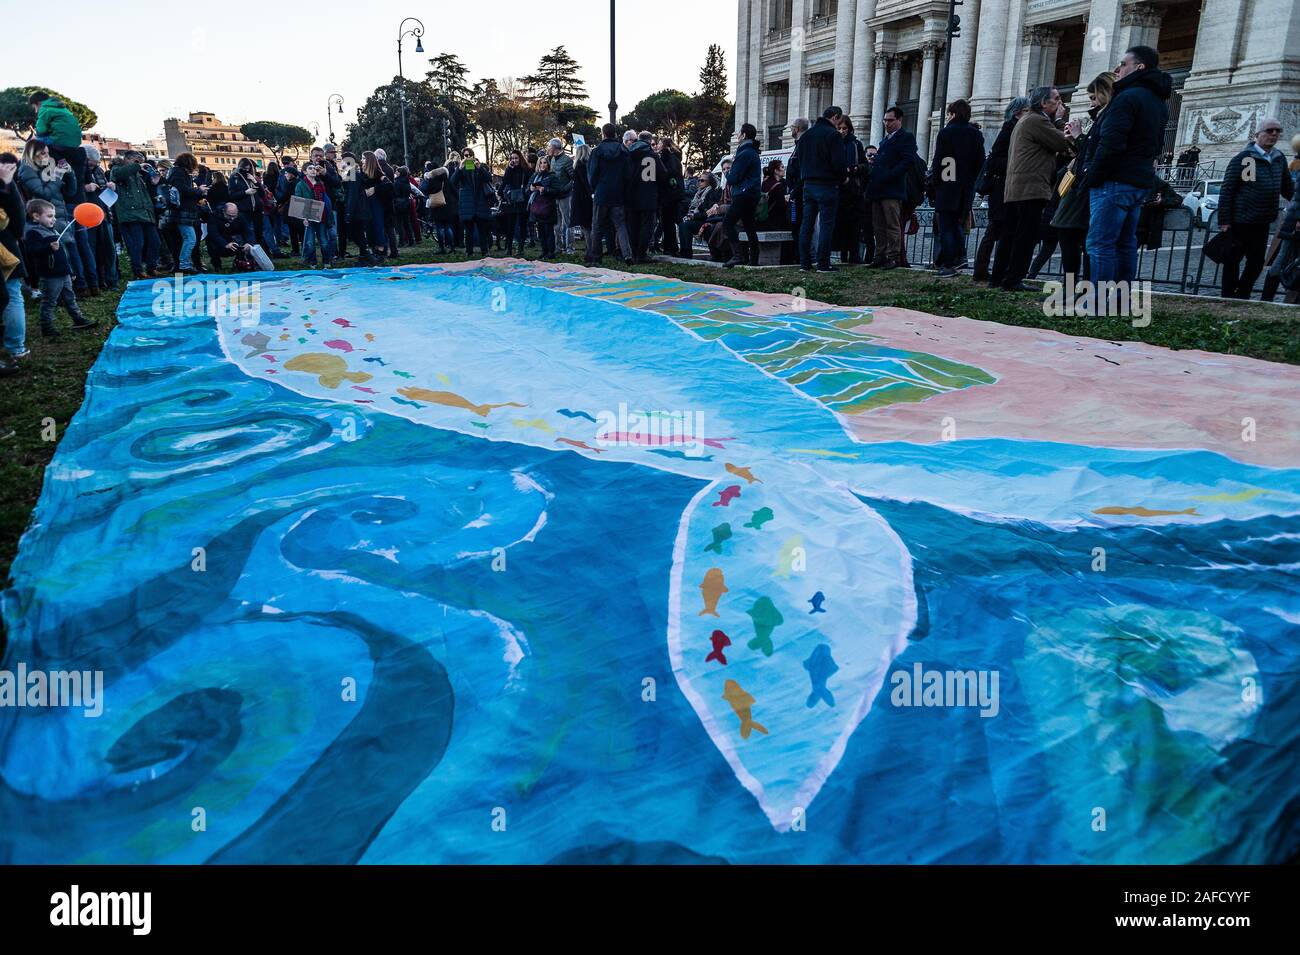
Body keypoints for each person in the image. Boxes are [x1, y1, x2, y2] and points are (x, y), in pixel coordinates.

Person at [1084, 45, 1172, 282]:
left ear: (1139, 67)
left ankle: (1098, 303)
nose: (1117, 69)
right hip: (1137, 180)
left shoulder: (1126, 98)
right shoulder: (1156, 101)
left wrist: (1092, 176)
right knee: (1125, 244)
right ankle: (1120, 300)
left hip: (1113, 180)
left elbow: (1111, 144)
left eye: (1123, 64)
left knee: (1100, 244)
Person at [989, 86, 1077, 291]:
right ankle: (1013, 279)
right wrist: (1060, 121)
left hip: (1017, 188)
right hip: (1031, 188)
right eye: (1056, 99)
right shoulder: (1038, 120)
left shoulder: (1025, 120)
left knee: (1010, 235)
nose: (1060, 103)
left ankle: (1000, 278)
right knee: (1025, 236)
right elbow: (1063, 142)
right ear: (1043, 103)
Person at [1047, 73, 1115, 281]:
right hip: (1075, 190)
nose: (1091, 102)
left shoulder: (1108, 118)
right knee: (1073, 242)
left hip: (1082, 193)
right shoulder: (1101, 118)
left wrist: (1078, 137)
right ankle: (1075, 288)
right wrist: (1074, 141)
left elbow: (1098, 154)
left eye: (1094, 98)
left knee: (1083, 244)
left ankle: (1082, 289)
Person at [1217, 117, 1293, 299]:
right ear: (1257, 135)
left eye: (1277, 131)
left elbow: (1287, 187)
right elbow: (1229, 190)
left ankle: (1242, 294)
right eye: (1270, 130)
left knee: (1257, 262)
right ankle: (1228, 296)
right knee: (1233, 261)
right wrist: (1225, 221)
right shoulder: (1247, 159)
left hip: (1262, 221)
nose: (1274, 134)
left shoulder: (1279, 158)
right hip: (1240, 221)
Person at [18, 140, 95, 294]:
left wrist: (70, 173)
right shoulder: (27, 170)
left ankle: (80, 286)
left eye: (48, 152)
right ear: (33, 154)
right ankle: (66, 291)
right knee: (61, 254)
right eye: (43, 153)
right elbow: (43, 193)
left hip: (61, 214)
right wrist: (57, 176)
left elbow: (70, 192)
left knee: (72, 251)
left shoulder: (48, 168)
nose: (47, 156)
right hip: (44, 218)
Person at [23, 199, 98, 338]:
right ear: (36, 216)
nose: (54, 219)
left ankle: (78, 319)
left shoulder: (53, 230)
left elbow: (64, 254)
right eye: (50, 216)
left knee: (70, 297)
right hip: (50, 275)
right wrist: (48, 248)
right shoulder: (33, 233)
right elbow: (33, 251)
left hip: (63, 272)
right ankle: (47, 326)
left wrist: (70, 271)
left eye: (54, 216)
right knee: (49, 301)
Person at [973, 97, 1030, 281]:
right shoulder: (1009, 130)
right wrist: (1018, 163)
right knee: (995, 230)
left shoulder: (1015, 129)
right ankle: (983, 269)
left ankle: (989, 269)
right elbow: (995, 160)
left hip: (1006, 189)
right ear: (1017, 113)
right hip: (1002, 191)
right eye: (1027, 111)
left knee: (998, 231)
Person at [929, 99, 986, 276]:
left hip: (948, 185)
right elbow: (980, 162)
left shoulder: (947, 133)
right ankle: (960, 258)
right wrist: (968, 179)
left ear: (952, 114)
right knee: (958, 224)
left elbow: (942, 161)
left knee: (946, 226)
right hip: (966, 186)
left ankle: (947, 265)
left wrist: (939, 181)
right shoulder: (975, 134)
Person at [864, 105, 916, 270]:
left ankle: (893, 256)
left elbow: (908, 161)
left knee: (892, 225)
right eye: (885, 120)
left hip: (892, 189)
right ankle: (880, 255)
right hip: (878, 189)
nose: (887, 123)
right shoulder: (884, 140)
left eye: (890, 120)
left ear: (899, 120)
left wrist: (892, 174)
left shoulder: (906, 138)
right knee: (878, 225)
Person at [110, 152, 163, 279]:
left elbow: (146, 194)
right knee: (137, 244)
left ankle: (152, 267)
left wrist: (153, 183)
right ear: (127, 159)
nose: (140, 164)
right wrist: (138, 167)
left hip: (145, 213)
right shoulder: (117, 169)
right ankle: (138, 270)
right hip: (130, 214)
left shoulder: (138, 175)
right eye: (136, 161)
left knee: (155, 241)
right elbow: (119, 174)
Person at [587, 124, 634, 265]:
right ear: (615, 134)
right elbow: (629, 173)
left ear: (603, 134)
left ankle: (596, 256)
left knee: (597, 225)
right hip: (618, 192)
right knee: (620, 225)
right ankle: (627, 254)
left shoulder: (597, 151)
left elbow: (592, 173)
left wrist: (594, 189)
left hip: (601, 192)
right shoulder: (623, 150)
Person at [0, 154, 30, 358]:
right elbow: (18, 215)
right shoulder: (6, 185)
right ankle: (15, 347)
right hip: (5, 245)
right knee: (11, 294)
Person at [723, 122, 763, 268]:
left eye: (739, 133)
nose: (737, 136)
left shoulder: (744, 153)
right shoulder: (752, 152)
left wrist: (727, 173)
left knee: (728, 223)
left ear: (744, 135)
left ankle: (738, 255)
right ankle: (753, 258)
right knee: (749, 226)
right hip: (751, 194)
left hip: (743, 194)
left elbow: (734, 178)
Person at [160, 153, 206, 275]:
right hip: (182, 213)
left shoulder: (174, 172)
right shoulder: (180, 173)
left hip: (178, 212)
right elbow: (183, 190)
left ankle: (179, 264)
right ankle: (184, 264)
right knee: (190, 238)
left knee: (181, 240)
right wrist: (198, 190)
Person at [627, 131, 666, 262]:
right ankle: (641, 254)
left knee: (633, 226)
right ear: (649, 141)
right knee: (647, 226)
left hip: (631, 195)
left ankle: (633, 253)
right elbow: (663, 174)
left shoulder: (629, 154)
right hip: (648, 195)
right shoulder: (652, 156)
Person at [449, 147, 494, 257]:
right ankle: (469, 251)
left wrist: (480, 168)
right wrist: (459, 168)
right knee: (468, 230)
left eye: (470, 155)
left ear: (473, 156)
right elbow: (452, 182)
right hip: (467, 203)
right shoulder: (461, 168)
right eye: (466, 155)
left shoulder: (480, 166)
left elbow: (489, 178)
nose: (468, 157)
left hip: (480, 202)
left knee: (482, 229)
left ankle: (485, 250)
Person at [295, 162, 335, 268]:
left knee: (324, 240)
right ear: (304, 172)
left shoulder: (320, 183)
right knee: (310, 242)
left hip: (321, 216)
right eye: (310, 168)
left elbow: (324, 200)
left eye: (314, 168)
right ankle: (313, 262)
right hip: (308, 216)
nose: (313, 170)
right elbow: (299, 201)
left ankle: (326, 261)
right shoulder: (300, 185)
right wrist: (304, 218)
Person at [678, 172, 723, 259]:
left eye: (702, 180)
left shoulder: (711, 193)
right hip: (700, 218)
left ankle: (686, 253)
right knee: (682, 225)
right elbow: (694, 207)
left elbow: (708, 212)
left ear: (709, 182)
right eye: (698, 180)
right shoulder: (699, 193)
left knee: (686, 226)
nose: (699, 182)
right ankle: (684, 252)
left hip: (706, 220)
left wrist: (694, 216)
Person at [526, 155, 561, 260]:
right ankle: (544, 251)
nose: (542, 165)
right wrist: (531, 188)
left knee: (548, 230)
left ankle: (551, 252)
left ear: (548, 164)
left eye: (545, 162)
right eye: (541, 163)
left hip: (548, 206)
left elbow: (557, 190)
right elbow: (527, 189)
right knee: (540, 231)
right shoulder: (535, 176)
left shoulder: (552, 176)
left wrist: (545, 190)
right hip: (537, 206)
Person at [655, 137, 684, 256]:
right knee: (669, 222)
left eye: (659, 143)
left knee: (667, 222)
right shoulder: (676, 157)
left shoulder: (667, 156)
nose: (657, 145)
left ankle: (670, 248)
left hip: (668, 194)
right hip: (674, 194)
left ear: (664, 145)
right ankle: (671, 247)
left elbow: (668, 172)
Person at [546, 139, 575, 255]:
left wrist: (565, 188)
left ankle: (570, 248)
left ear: (555, 148)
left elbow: (574, 178)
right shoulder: (552, 159)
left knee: (568, 223)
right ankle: (558, 247)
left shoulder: (567, 160)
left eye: (549, 146)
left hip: (565, 196)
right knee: (556, 224)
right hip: (554, 196)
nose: (548, 149)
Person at [499, 150, 530, 256]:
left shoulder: (526, 169)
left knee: (522, 225)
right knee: (510, 225)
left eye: (516, 158)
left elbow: (529, 183)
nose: (514, 160)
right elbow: (505, 181)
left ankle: (520, 248)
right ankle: (509, 248)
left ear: (520, 158)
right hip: (511, 200)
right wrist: (509, 168)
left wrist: (526, 194)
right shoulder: (510, 169)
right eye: (512, 158)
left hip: (522, 200)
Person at [206, 201, 253, 271]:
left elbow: (248, 231)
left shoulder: (241, 216)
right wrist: (225, 244)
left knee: (244, 244)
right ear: (223, 211)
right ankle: (217, 265)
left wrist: (248, 243)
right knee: (211, 243)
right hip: (220, 240)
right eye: (229, 216)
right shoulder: (214, 216)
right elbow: (213, 233)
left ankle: (239, 262)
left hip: (234, 239)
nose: (232, 218)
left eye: (234, 216)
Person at [228, 158, 264, 248]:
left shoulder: (252, 176)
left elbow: (262, 193)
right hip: (244, 210)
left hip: (257, 209)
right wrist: (245, 192)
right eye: (244, 169)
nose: (246, 171)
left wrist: (255, 181)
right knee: (248, 232)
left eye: (248, 169)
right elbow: (231, 194)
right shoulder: (234, 177)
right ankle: (249, 253)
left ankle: (261, 252)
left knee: (259, 232)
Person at [571, 143, 595, 259]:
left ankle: (590, 252)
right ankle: (591, 250)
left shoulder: (579, 166)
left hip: (582, 199)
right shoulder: (589, 165)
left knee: (586, 227)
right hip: (588, 199)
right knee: (589, 226)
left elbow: (585, 183)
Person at [786, 117, 809, 236]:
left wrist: (794, 190)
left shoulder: (803, 145)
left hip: (799, 193)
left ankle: (800, 254)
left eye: (791, 127)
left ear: (797, 128)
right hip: (796, 192)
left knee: (797, 225)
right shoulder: (799, 145)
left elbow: (801, 170)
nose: (791, 130)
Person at [760, 160, 790, 230]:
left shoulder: (764, 183)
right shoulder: (778, 186)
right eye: (782, 167)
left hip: (764, 217)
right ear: (776, 171)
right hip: (775, 221)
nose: (784, 169)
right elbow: (781, 205)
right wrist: (786, 200)